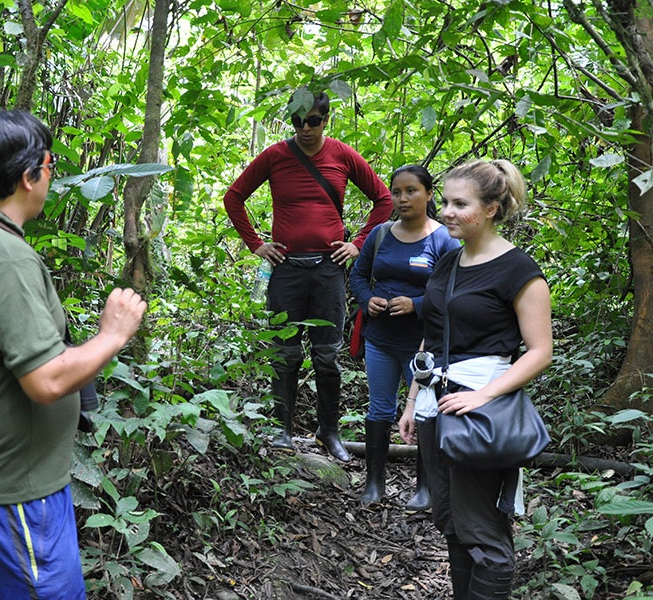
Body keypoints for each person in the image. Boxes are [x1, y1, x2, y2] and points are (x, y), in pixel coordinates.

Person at [0, 110, 147, 599]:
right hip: (11, 491)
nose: (52, 172)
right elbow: (43, 382)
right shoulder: (1, 255)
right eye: (49, 163)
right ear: (29, 175)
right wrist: (113, 334)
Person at [398, 159, 552, 598]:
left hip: (478, 407)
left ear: (491, 209)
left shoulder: (518, 270)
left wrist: (482, 396)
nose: (445, 211)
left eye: (459, 203)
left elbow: (540, 351)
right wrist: (411, 403)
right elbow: (433, 335)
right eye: (445, 201)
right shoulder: (448, 263)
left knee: (483, 531)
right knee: (450, 521)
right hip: (435, 402)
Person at [224, 91, 393, 462]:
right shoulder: (275, 155)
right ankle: (283, 430)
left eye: (313, 121)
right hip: (286, 270)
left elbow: (384, 199)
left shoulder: (342, 154)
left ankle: (328, 432)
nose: (305, 129)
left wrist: (359, 243)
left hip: (328, 270)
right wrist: (256, 244)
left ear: (325, 119)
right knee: (285, 352)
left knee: (327, 354)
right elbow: (234, 197)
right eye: (298, 121)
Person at [348, 164, 460, 506]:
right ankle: (374, 484)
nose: (402, 198)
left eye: (411, 191)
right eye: (396, 192)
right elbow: (357, 276)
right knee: (379, 408)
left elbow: (455, 291)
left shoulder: (444, 239)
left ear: (428, 194)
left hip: (423, 345)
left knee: (426, 411)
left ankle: (425, 488)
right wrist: (369, 302)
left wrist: (417, 304)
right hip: (380, 338)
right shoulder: (380, 234)